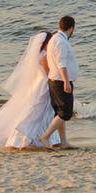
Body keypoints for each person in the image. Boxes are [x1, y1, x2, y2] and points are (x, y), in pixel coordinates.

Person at [0, 19, 77, 150]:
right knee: (42, 113)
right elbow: (48, 70)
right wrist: (59, 79)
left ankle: (49, 139)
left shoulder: (42, 53)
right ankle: (39, 138)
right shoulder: (44, 55)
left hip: (42, 84)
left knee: (48, 113)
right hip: (45, 85)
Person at [40, 15, 79, 149]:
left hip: (55, 80)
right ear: (71, 28)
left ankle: (63, 142)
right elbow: (61, 63)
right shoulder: (61, 42)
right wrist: (66, 82)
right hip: (60, 81)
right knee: (65, 113)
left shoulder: (55, 39)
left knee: (60, 113)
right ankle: (45, 136)